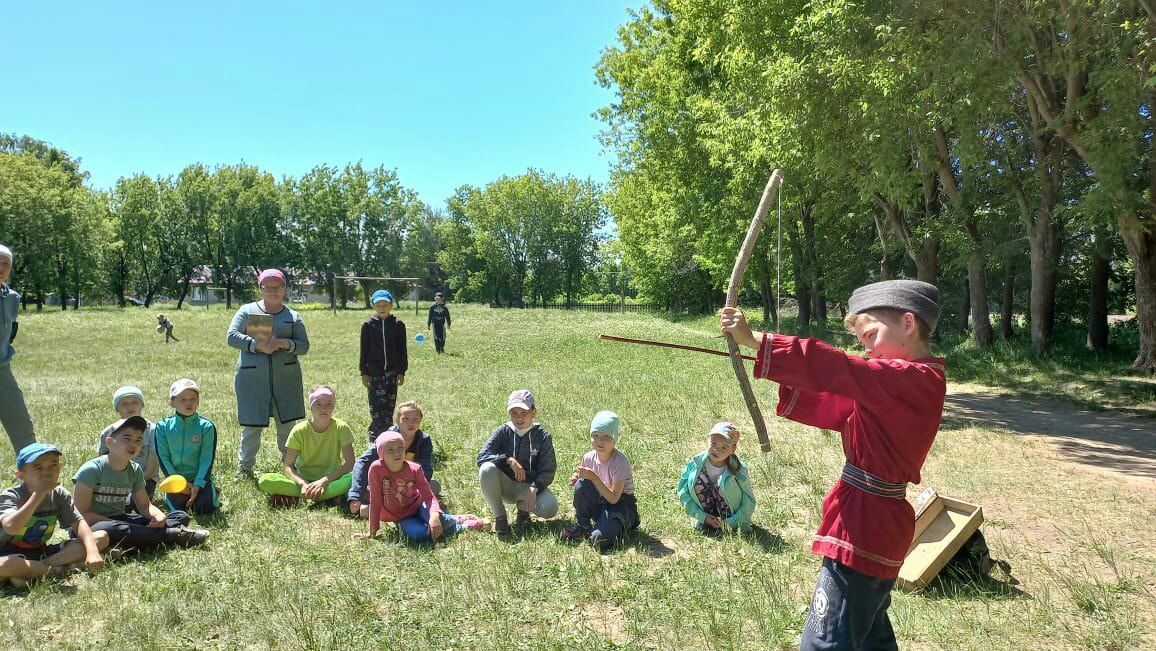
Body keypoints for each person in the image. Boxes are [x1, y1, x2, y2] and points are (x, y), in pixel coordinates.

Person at [719, 279, 946, 651]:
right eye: (863, 342)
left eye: (871, 335)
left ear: (908, 323)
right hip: (870, 521)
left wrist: (758, 340)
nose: (867, 348)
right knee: (868, 632)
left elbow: (842, 370)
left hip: (865, 527)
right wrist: (784, 369)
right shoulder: (899, 383)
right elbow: (839, 401)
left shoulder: (913, 379)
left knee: (825, 641)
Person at [74, 416, 209, 550]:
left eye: (138, 440)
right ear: (109, 442)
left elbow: (144, 506)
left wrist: (158, 516)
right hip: (92, 526)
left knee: (180, 516)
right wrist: (120, 523)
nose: (133, 444)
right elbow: (82, 515)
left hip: (121, 520)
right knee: (112, 528)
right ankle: (172, 535)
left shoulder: (134, 469)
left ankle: (127, 545)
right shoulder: (92, 470)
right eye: (126, 439)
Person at [227, 268, 310, 476]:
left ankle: (289, 467)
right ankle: (245, 469)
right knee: (251, 427)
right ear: (260, 288)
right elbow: (231, 336)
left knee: (287, 426)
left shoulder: (293, 315)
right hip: (253, 379)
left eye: (278, 287)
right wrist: (255, 345)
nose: (273, 291)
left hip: (286, 381)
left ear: (284, 288)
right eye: (268, 287)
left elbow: (304, 346)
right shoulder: (247, 311)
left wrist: (285, 343)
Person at [0, 443, 108, 588]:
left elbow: (78, 523)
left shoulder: (58, 493)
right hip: (6, 553)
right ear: (21, 475)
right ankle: (58, 571)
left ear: (60, 467)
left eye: (53, 465)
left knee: (101, 537)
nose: (47, 472)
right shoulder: (11, 496)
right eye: (38, 467)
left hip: (42, 553)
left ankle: (35, 571)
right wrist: (38, 494)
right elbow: (11, 528)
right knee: (6, 565)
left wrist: (93, 552)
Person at [359, 431, 485, 543]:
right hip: (401, 516)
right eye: (390, 450)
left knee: (438, 521)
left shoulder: (414, 469)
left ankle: (461, 522)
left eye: (400, 448)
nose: (396, 453)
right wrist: (372, 531)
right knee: (421, 534)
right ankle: (458, 524)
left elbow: (429, 496)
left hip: (418, 505)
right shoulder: (376, 469)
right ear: (381, 454)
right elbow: (375, 500)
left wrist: (434, 516)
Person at [257, 385, 355, 507]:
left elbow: (350, 463)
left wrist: (324, 481)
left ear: (334, 406)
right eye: (318, 404)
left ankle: (299, 497)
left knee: (355, 476)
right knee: (265, 480)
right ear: (311, 406)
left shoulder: (341, 428)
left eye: (328, 403)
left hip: (331, 480)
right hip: (304, 480)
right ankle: (326, 497)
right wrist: (302, 484)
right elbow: (288, 465)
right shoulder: (299, 430)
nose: (323, 408)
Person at [476, 389, 558, 533]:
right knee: (486, 469)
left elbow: (548, 468)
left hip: (527, 488)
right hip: (505, 486)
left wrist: (534, 488)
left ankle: (523, 510)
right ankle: (500, 516)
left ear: (533, 412)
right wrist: (508, 460)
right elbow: (482, 457)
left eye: (524, 413)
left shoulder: (542, 436)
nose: (519, 418)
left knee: (550, 507)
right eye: (514, 413)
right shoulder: (503, 431)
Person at [560, 411, 639, 552]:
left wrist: (594, 477)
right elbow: (585, 482)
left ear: (614, 439)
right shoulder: (589, 457)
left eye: (605, 437)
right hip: (601, 502)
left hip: (620, 506)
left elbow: (614, 498)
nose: (599, 442)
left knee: (597, 541)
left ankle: (622, 525)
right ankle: (583, 525)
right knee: (582, 484)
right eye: (595, 436)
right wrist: (577, 479)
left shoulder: (619, 461)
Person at [348, 401, 438, 518]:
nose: (411, 423)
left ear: (420, 420)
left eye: (416, 419)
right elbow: (363, 461)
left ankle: (383, 509)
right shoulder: (387, 438)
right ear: (397, 420)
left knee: (434, 485)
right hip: (386, 485)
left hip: (410, 487)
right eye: (405, 419)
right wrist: (356, 493)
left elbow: (426, 469)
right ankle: (399, 508)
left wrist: (413, 488)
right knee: (368, 491)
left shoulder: (423, 440)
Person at [676, 422, 756, 534]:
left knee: (724, 485)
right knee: (700, 480)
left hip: (731, 518)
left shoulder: (738, 470)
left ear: (732, 449)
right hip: (705, 513)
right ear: (707, 440)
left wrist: (733, 522)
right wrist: (701, 516)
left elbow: (749, 500)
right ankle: (708, 521)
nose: (716, 450)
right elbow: (683, 491)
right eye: (713, 443)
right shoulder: (696, 463)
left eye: (723, 447)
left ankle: (726, 523)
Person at [154, 379, 220, 515]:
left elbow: (206, 458)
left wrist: (198, 483)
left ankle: (211, 490)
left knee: (204, 509)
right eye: (183, 399)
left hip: (200, 478)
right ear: (172, 402)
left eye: (193, 399)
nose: (189, 403)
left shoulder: (206, 427)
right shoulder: (162, 427)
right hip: (176, 478)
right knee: (178, 511)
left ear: (198, 400)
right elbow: (163, 457)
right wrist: (178, 482)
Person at [0, 244, 35, 457]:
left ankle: (36, 483)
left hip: (3, 370)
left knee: (23, 429)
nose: (2, 268)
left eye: (6, 264)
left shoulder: (12, 297)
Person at [97, 385, 159, 499]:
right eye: (124, 403)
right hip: (116, 481)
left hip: (145, 479)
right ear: (117, 409)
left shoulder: (153, 430)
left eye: (135, 402)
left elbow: (152, 468)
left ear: (142, 405)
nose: (130, 407)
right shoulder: (109, 432)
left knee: (133, 502)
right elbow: (103, 461)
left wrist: (132, 485)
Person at [360, 289, 407, 435]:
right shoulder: (368, 325)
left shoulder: (398, 324)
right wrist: (364, 372)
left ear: (391, 305)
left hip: (392, 373)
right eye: (379, 305)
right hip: (374, 373)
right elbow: (364, 350)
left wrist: (401, 371)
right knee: (376, 405)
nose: (382, 308)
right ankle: (375, 433)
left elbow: (402, 349)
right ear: (374, 306)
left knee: (389, 405)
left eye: (385, 305)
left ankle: (387, 431)